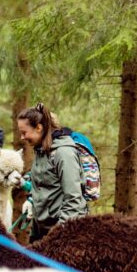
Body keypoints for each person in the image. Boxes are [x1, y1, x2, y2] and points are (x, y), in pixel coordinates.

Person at [17, 103, 88, 242]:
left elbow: (73, 200)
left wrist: (58, 236)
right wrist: (31, 200)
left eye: (24, 132)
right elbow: (42, 183)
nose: (22, 137)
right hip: (41, 230)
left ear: (39, 127)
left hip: (63, 234)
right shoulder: (40, 151)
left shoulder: (64, 153)